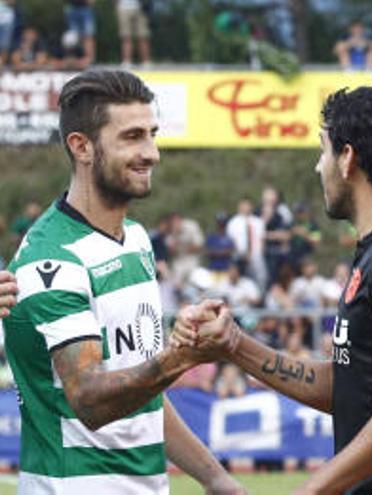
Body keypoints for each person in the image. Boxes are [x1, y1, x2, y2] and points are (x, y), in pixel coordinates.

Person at [174, 86, 372, 493]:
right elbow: (350, 389)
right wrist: (234, 345)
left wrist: (310, 490)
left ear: (347, 158)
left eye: (323, 151)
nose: (319, 167)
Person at [0, 69, 243, 493]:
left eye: (151, 133)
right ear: (82, 147)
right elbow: (90, 399)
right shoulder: (51, 259)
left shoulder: (135, 239)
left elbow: (143, 392)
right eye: (132, 137)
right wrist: (181, 356)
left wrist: (216, 477)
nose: (152, 152)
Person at [116, 0, 151, 68]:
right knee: (126, 36)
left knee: (143, 36)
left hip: (140, 8)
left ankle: (146, 62)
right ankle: (127, 62)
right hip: (123, 7)